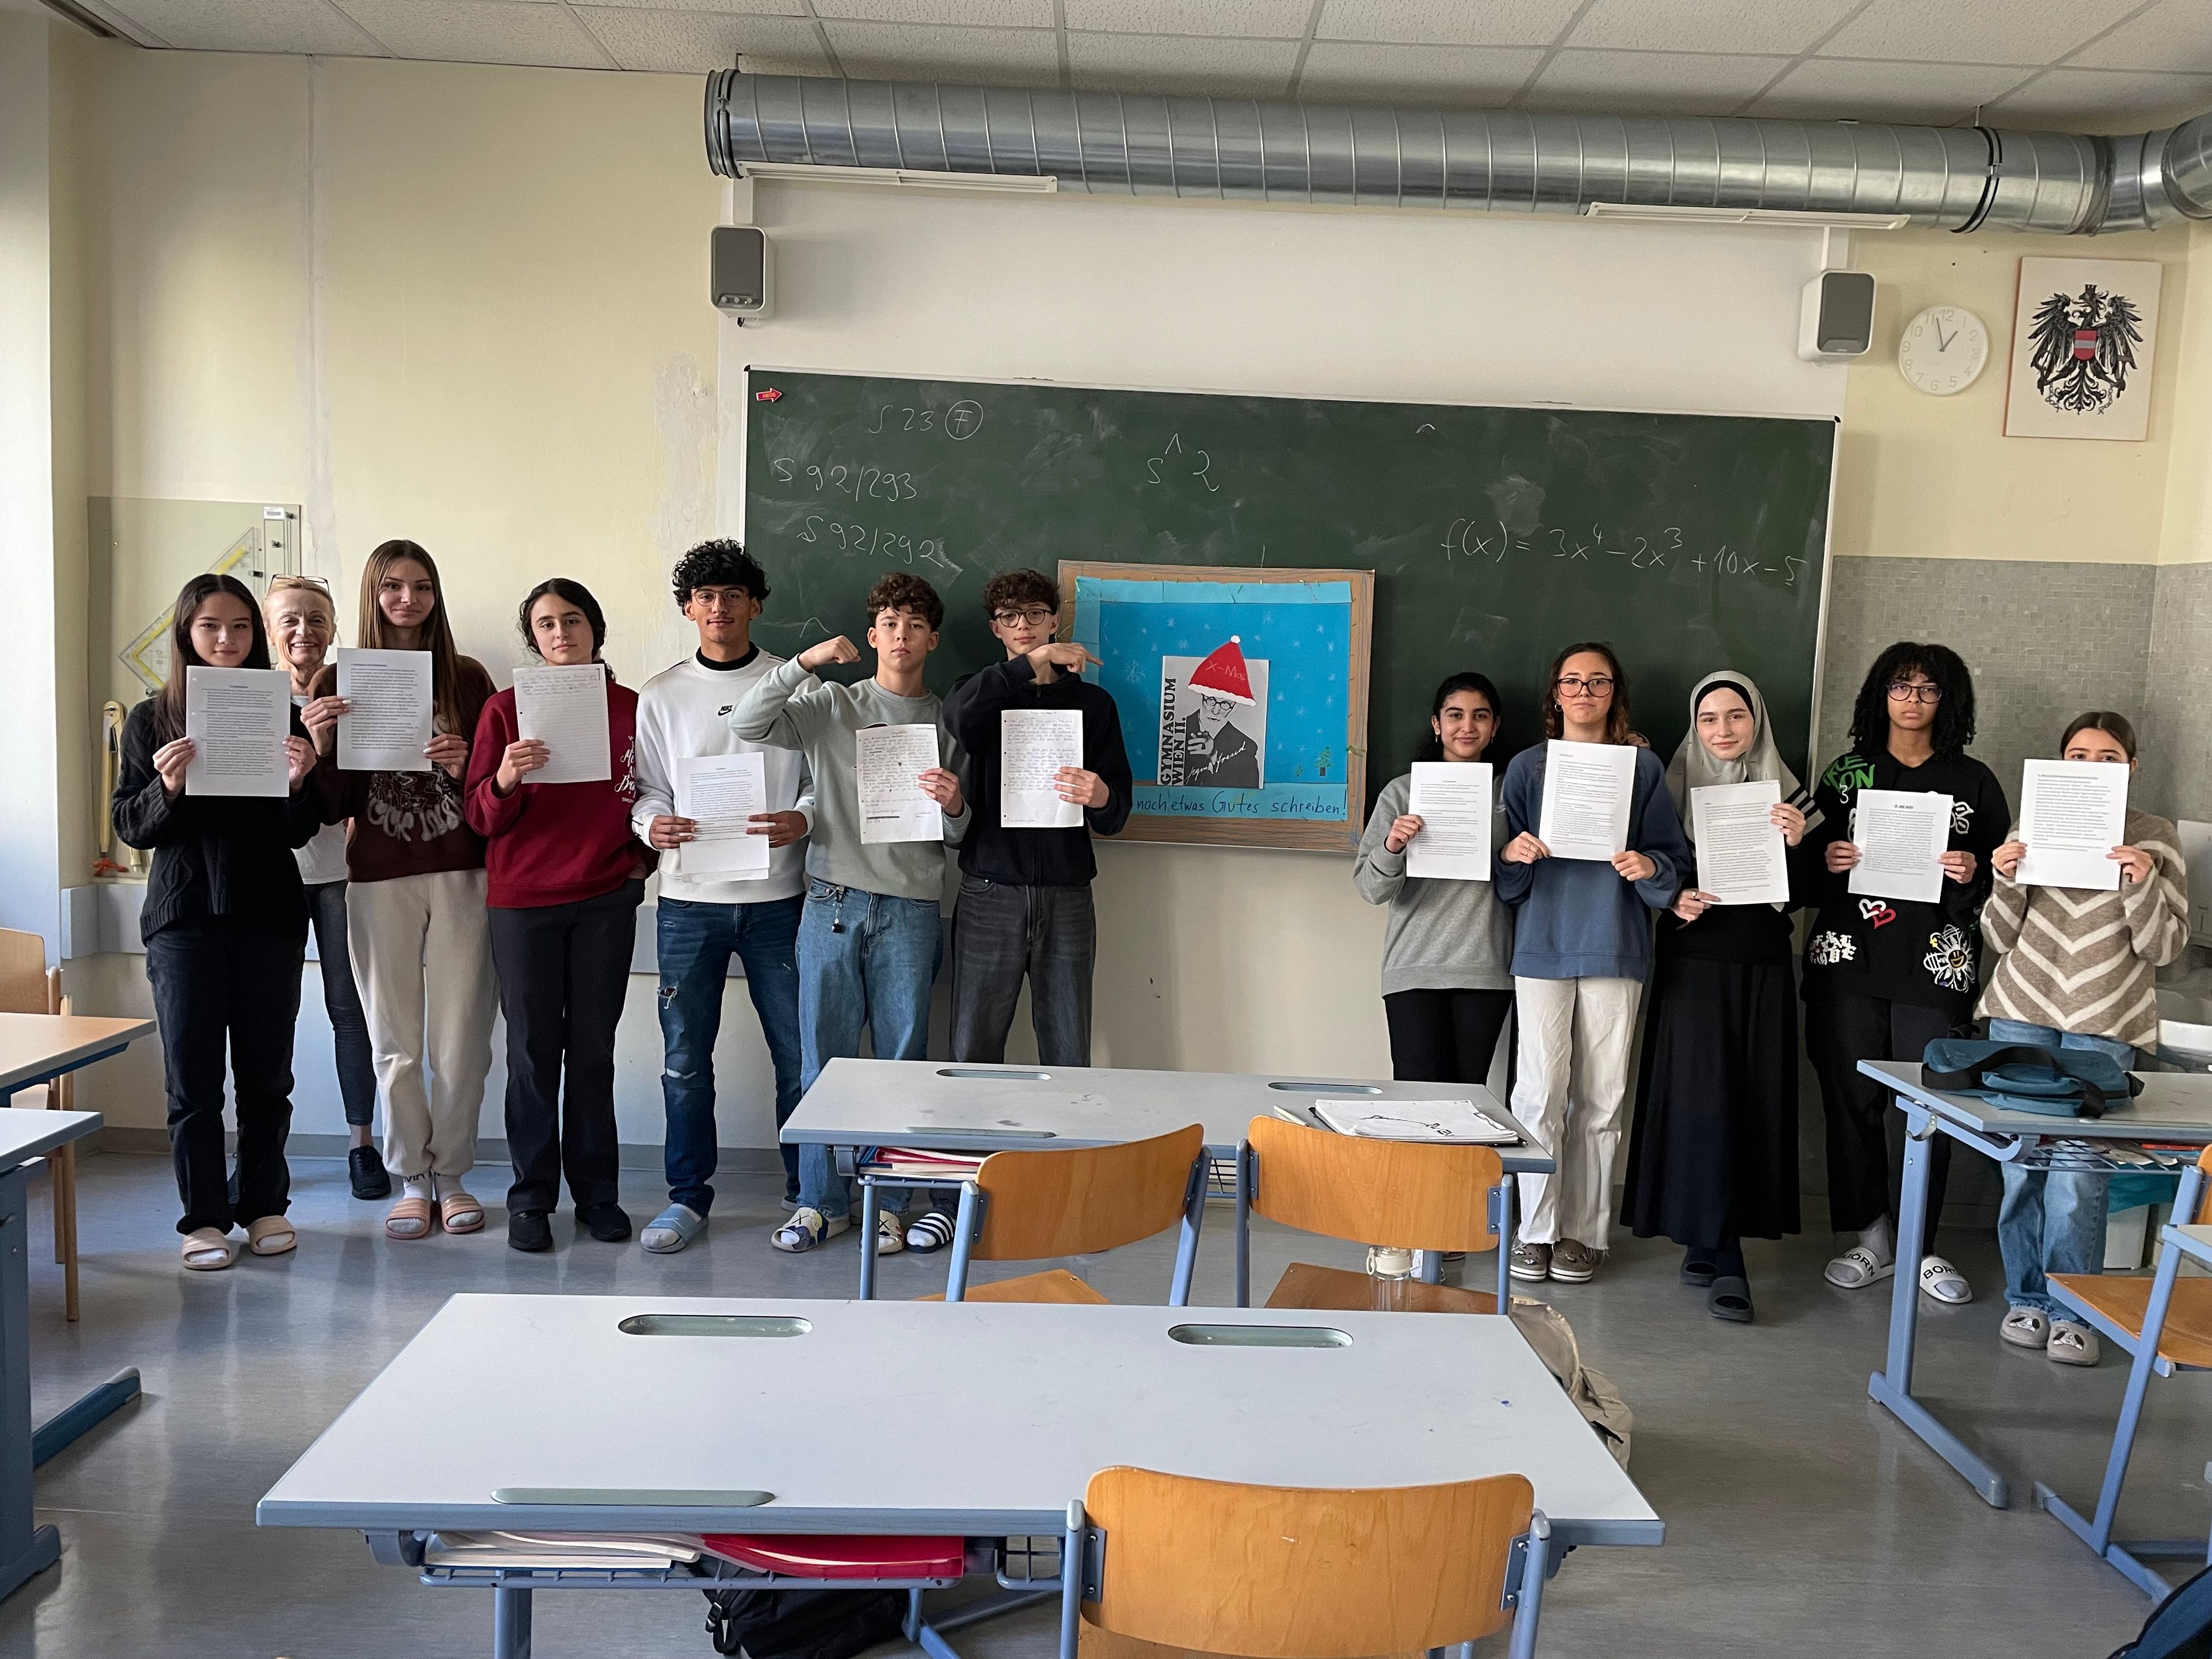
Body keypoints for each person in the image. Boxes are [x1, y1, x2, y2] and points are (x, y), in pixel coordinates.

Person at [733, 572, 969, 1258]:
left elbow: (960, 833)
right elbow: (749, 723)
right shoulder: (833, 704)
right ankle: (820, 1202)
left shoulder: (949, 721)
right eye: (890, 624)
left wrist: (955, 804)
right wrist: (803, 663)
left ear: (932, 640)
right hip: (832, 901)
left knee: (900, 1064)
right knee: (822, 1061)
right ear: (872, 636)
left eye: (915, 625)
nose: (901, 636)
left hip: (912, 907)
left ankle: (889, 1205)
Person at [112, 574, 322, 1270]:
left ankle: (263, 1205)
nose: (227, 639)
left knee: (267, 1078)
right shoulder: (151, 719)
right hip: (185, 919)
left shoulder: (279, 712)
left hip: (269, 915)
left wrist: (301, 782)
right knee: (193, 1081)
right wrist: (169, 786)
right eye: (210, 626)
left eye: (240, 627)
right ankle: (203, 1218)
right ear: (186, 634)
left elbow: (299, 829)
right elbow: (130, 825)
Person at [302, 540, 498, 1244]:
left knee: (462, 1039)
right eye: (392, 586)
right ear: (372, 594)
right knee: (394, 1041)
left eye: (421, 586)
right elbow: (330, 808)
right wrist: (322, 747)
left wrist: (467, 764)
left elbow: (496, 794)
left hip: (462, 871)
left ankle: (454, 1175)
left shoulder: (468, 679)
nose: (408, 599)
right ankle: (412, 1176)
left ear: (436, 595)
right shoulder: (337, 679)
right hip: (377, 875)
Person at [1801, 642, 2007, 1305]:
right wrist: (1827, 860)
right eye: (1900, 686)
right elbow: (1801, 871)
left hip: (1935, 968)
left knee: (1930, 1108)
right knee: (1850, 1102)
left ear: (1948, 700)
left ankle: (1921, 1242)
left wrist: (1974, 872)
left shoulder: (1974, 780)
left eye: (1927, 689)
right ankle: (1870, 1237)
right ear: (1879, 695)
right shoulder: (1845, 775)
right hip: (1847, 960)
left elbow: (2004, 883)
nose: (1912, 700)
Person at [1981, 712, 2188, 1366]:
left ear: (2130, 766)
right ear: (2059, 762)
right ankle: (2025, 1298)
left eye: (2107, 757)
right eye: (2077, 755)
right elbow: (1997, 937)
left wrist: (2141, 883)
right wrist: (2004, 876)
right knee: (2021, 1168)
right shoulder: (2028, 826)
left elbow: (2165, 947)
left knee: (2078, 1175)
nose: (2091, 767)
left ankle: (2074, 1314)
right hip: (2021, 1011)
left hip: (2106, 1020)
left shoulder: (2156, 837)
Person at [630, 541, 814, 1255]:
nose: (719, 608)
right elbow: (647, 789)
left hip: (780, 899)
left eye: (733, 595)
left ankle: (807, 1195)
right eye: (705, 597)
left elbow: (822, 779)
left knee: (798, 1058)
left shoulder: (793, 683)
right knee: (684, 1060)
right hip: (687, 901)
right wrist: (652, 825)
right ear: (688, 609)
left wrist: (804, 818)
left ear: (754, 605)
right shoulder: (660, 693)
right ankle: (687, 1198)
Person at [1620, 673, 1817, 1322]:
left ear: (1757, 721)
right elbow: (1643, 872)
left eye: (1737, 716)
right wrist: (1672, 895)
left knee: (1750, 1102)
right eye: (1709, 719)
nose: (1723, 730)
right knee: (1699, 1105)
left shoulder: (1791, 794)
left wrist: (1798, 843)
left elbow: (1814, 890)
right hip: (1693, 966)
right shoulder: (1666, 792)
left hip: (1762, 964)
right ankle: (1716, 1247)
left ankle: (1715, 1245)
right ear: (1694, 726)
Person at [1496, 643, 1688, 1286]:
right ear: (1555, 693)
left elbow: (1670, 858)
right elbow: (1504, 877)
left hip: (1614, 942)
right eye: (1572, 681)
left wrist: (1648, 865)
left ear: (1614, 693)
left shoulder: (1642, 768)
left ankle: (1583, 1231)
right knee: (1538, 1094)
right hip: (1542, 943)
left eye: (1597, 681)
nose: (1584, 691)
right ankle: (1533, 1231)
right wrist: (1513, 855)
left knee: (1602, 1098)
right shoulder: (1526, 768)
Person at [464, 579, 648, 1253]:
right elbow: (478, 815)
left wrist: (640, 865)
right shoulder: (503, 710)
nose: (560, 634)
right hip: (523, 904)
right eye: (545, 624)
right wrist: (505, 778)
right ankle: (531, 1198)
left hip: (604, 899)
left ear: (594, 628)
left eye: (572, 620)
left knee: (593, 1052)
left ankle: (598, 1195)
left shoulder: (631, 707)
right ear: (533, 639)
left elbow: (655, 793)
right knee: (532, 1054)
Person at [940, 569, 1132, 1094]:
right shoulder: (979, 695)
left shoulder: (1095, 706)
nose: (1022, 625)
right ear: (995, 629)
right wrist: (1034, 662)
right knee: (973, 1048)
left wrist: (1102, 796)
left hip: (1067, 895)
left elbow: (1116, 815)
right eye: (1009, 616)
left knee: (1068, 1048)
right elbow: (957, 718)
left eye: (1035, 614)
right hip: (989, 892)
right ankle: (974, 1145)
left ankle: (1063, 1146)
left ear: (1055, 620)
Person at [263, 576, 387, 1201]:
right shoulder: (245, 700)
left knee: (350, 1012)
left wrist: (328, 747)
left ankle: (362, 1145)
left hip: (343, 874)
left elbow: (372, 784)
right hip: (272, 877)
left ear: (334, 628)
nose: (303, 632)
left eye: (316, 619)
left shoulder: (357, 693)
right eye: (289, 620)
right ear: (268, 630)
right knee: (269, 1016)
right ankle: (264, 1154)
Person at [1352, 672, 1514, 1087]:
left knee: (1468, 1097)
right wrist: (1392, 846)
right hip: (1414, 967)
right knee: (1415, 1096)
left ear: (1495, 726)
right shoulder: (1402, 793)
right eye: (1455, 715)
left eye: (1480, 716)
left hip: (1484, 967)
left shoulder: (1512, 794)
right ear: (1436, 724)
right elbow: (1370, 889)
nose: (1467, 726)